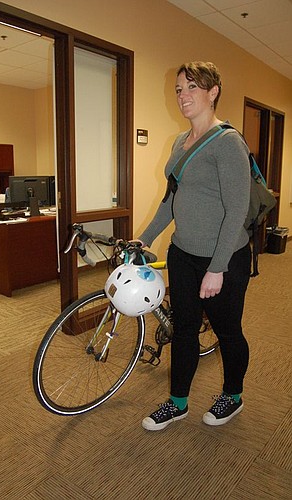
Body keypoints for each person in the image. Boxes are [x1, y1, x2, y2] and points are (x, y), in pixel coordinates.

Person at [137, 61, 251, 431]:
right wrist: (148, 235)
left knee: (227, 330)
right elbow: (171, 199)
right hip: (183, 253)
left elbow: (236, 209)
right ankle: (178, 402)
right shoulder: (178, 142)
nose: (183, 96)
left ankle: (232, 395)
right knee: (183, 329)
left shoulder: (228, 142)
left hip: (225, 257)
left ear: (213, 91)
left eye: (191, 88)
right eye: (179, 89)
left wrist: (217, 267)